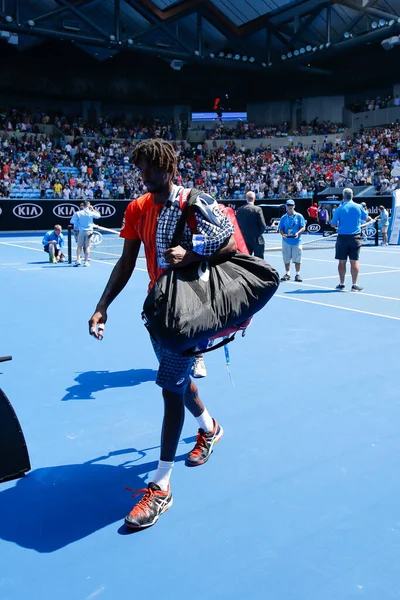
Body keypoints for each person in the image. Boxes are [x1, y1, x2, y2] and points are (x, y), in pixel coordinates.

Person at [88, 139, 236, 530]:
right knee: (180, 380)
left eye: (152, 170)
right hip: (160, 311)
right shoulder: (138, 208)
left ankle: (161, 485)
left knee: (171, 388)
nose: (145, 177)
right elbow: (126, 262)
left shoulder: (195, 202)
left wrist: (193, 253)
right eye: (141, 171)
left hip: (194, 309)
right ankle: (210, 428)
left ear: (170, 168)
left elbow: (231, 248)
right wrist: (103, 305)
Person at [330, 188, 368, 292]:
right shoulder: (359, 207)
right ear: (352, 196)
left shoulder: (339, 208)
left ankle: (342, 284)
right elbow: (366, 218)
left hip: (342, 238)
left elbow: (333, 223)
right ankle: (354, 285)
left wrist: (338, 225)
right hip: (355, 238)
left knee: (342, 262)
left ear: (343, 196)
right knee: (354, 261)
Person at [278, 199, 306, 282]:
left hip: (297, 241)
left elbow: (303, 227)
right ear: (286, 207)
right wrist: (283, 234)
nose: (289, 207)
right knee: (286, 258)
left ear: (294, 206)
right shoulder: (283, 217)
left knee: (297, 258)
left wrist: (298, 233)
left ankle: (297, 274)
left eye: (291, 206)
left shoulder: (299, 216)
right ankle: (287, 273)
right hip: (286, 241)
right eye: (288, 206)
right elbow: (281, 228)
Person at [236, 191, 266, 258]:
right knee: (259, 261)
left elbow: (237, 225)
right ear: (254, 199)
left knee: (246, 260)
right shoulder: (258, 209)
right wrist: (258, 233)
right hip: (257, 239)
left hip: (245, 239)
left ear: (246, 198)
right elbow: (263, 225)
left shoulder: (240, 210)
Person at [70, 200, 101, 267]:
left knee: (79, 247)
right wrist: (93, 210)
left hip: (81, 231)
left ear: (83, 205)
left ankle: (78, 260)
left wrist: (78, 224)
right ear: (89, 205)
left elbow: (72, 221)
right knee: (87, 247)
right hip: (89, 231)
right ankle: (86, 262)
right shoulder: (91, 213)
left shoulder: (78, 213)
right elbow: (98, 216)